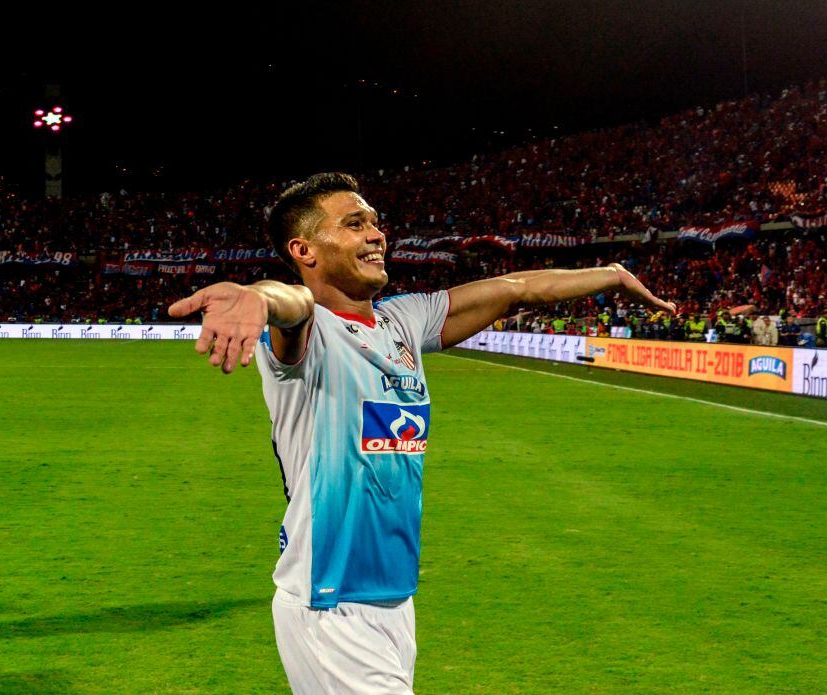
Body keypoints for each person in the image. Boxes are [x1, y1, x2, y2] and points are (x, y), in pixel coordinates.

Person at [167, 173, 676, 695]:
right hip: (331, 597)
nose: (375, 234)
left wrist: (611, 274)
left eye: (374, 223)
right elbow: (291, 304)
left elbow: (515, 289)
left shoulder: (403, 321)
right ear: (304, 249)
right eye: (353, 224)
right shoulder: (307, 331)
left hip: (393, 596)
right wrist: (259, 296)